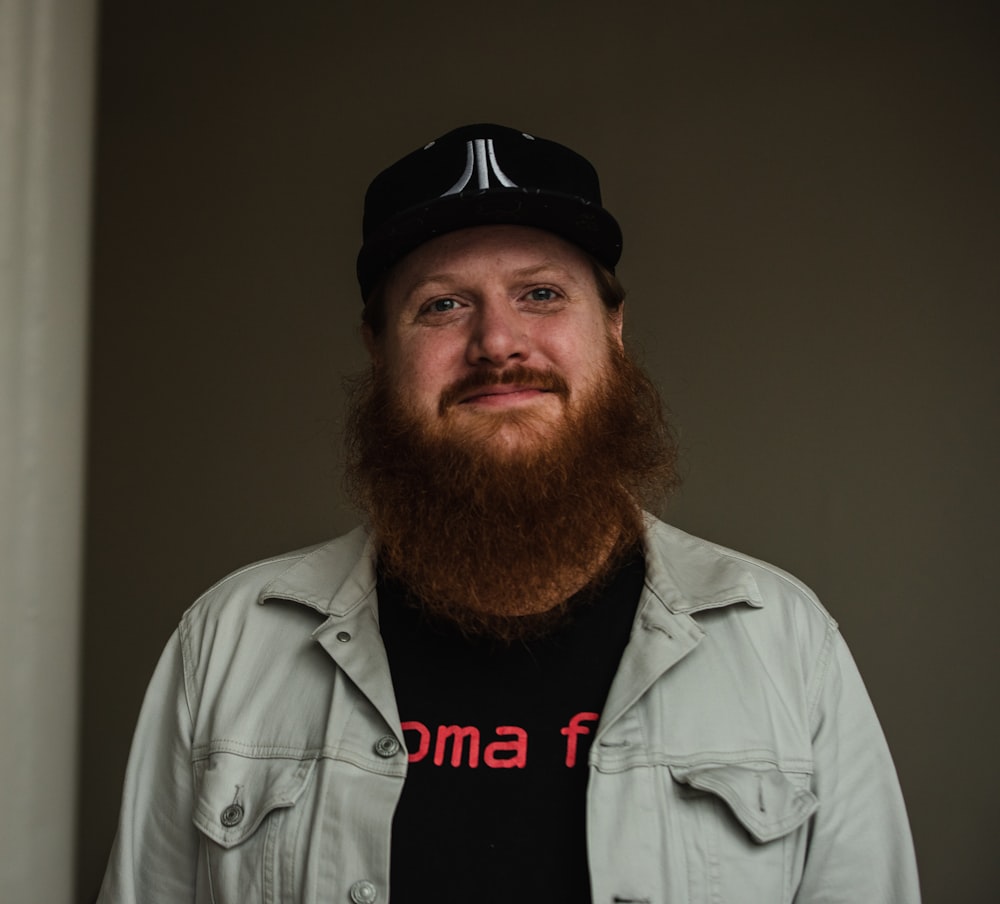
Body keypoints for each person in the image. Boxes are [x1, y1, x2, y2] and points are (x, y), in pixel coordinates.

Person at [97, 123, 921, 904]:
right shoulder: (231, 643)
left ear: (614, 330)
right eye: (443, 305)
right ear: (378, 350)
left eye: (540, 293)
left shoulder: (782, 639)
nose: (497, 341)